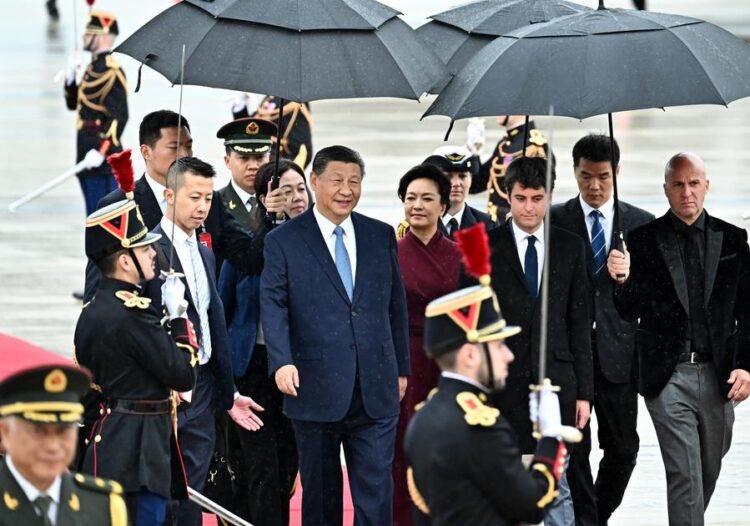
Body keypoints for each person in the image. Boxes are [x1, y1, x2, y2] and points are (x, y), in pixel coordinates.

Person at [261, 145, 410, 525]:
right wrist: (281, 361)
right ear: (314, 182)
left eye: (354, 181)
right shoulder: (284, 241)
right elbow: (273, 305)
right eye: (336, 181)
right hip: (314, 386)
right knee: (322, 497)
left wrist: (402, 369)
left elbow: (395, 307)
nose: (346, 190)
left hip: (376, 386)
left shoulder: (380, 235)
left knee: (376, 495)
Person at [607, 152, 750, 526]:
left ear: (706, 186)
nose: (687, 192)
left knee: (707, 471)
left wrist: (746, 365)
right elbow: (626, 309)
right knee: (685, 475)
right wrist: (620, 279)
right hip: (667, 376)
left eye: (694, 183)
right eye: (678, 184)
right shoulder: (642, 240)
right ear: (666, 189)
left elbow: (747, 309)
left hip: (720, 377)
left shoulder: (733, 239)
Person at [404, 230, 574, 525]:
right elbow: (532, 504)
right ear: (469, 355)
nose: (508, 355)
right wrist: (550, 439)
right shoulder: (481, 427)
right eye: (497, 346)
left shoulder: (425, 415)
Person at [462, 156, 593, 526]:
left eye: (538, 198)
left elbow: (580, 322)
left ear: (549, 195)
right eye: (521, 198)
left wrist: (585, 392)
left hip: (557, 381)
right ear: (507, 195)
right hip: (498, 382)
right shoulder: (482, 245)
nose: (529, 208)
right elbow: (467, 323)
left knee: (558, 480)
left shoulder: (570, 246)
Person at [74, 170, 199, 524]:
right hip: (139, 454)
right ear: (125, 260)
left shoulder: (93, 310)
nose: (154, 254)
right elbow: (182, 373)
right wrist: (177, 319)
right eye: (145, 248)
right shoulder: (133, 314)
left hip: (108, 443)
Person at [147, 157, 265, 526]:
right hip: (165, 392)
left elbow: (213, 324)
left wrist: (227, 393)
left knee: (193, 487)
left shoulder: (204, 250)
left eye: (209, 199)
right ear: (169, 195)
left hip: (205, 388)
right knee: (162, 487)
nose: (202, 207)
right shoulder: (148, 252)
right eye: (194, 197)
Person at [551, 135, 654, 526]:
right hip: (569, 355)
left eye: (603, 177)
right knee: (575, 448)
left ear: (617, 173)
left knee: (624, 448)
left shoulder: (640, 223)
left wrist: (628, 278)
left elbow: (652, 299)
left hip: (617, 355)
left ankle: (592, 518)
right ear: (574, 173)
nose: (594, 187)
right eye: (585, 177)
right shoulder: (555, 220)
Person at [83, 110, 264, 302]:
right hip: (147, 324)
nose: (185, 155)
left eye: (189, 147)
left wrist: (272, 213)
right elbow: (97, 287)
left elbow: (250, 259)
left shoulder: (209, 202)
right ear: (146, 152)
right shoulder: (122, 204)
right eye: (174, 147)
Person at [219, 159, 308, 524]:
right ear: (264, 198)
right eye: (285, 191)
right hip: (253, 368)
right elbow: (222, 312)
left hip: (298, 369)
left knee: (288, 464)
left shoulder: (317, 245)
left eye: (300, 188)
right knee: (261, 466)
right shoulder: (247, 249)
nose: (296, 198)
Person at [392, 164, 462, 525]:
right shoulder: (388, 252)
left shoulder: (460, 254)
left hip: (446, 365)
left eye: (426, 199)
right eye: (410, 198)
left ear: (443, 206)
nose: (416, 205)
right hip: (403, 364)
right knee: (402, 450)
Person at [0, 364, 128, 525]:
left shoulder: (102, 505)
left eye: (64, 431)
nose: (53, 446)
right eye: (38, 431)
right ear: (5, 432)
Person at [63, 10, 128, 215]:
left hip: (103, 159)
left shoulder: (111, 71)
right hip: (85, 151)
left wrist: (101, 152)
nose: (84, 37)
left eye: (89, 33)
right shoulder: (92, 68)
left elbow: (119, 116)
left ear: (102, 36)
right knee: (93, 216)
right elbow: (74, 105)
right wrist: (71, 78)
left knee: (103, 220)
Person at [468, 115, 552, 223]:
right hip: (497, 225)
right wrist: (474, 152)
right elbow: (476, 185)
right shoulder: (505, 144)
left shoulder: (535, 146)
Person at [422, 145, 495, 238]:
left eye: (462, 176)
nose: (456, 183)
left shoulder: (487, 225)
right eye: (448, 176)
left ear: (471, 180)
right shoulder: (419, 223)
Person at [217, 117, 276, 227]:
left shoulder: (282, 201)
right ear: (227, 161)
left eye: (260, 158)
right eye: (244, 158)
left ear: (269, 159)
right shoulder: (215, 204)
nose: (253, 166)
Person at [233, 94, 313, 169]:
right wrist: (240, 106)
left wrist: (288, 170)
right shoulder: (270, 96)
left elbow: (301, 144)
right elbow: (250, 129)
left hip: (276, 161)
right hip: (257, 157)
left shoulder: (294, 99)